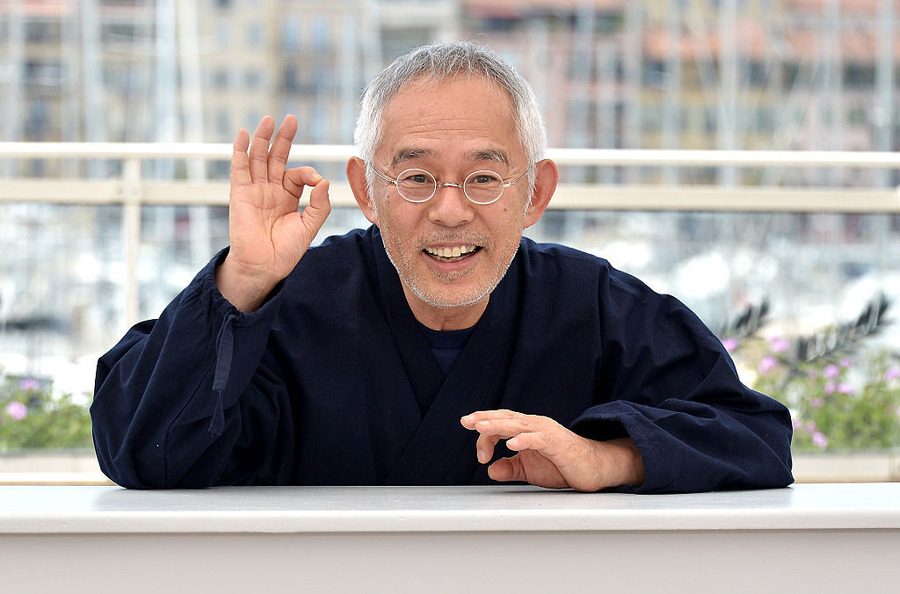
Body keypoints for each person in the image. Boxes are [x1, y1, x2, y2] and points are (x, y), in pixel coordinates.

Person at [90, 41, 793, 493]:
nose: (450, 211)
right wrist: (245, 279)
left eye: (484, 178)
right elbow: (141, 453)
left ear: (534, 193)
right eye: (416, 178)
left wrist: (607, 458)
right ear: (366, 191)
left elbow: (755, 436)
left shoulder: (593, 305)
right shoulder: (287, 305)